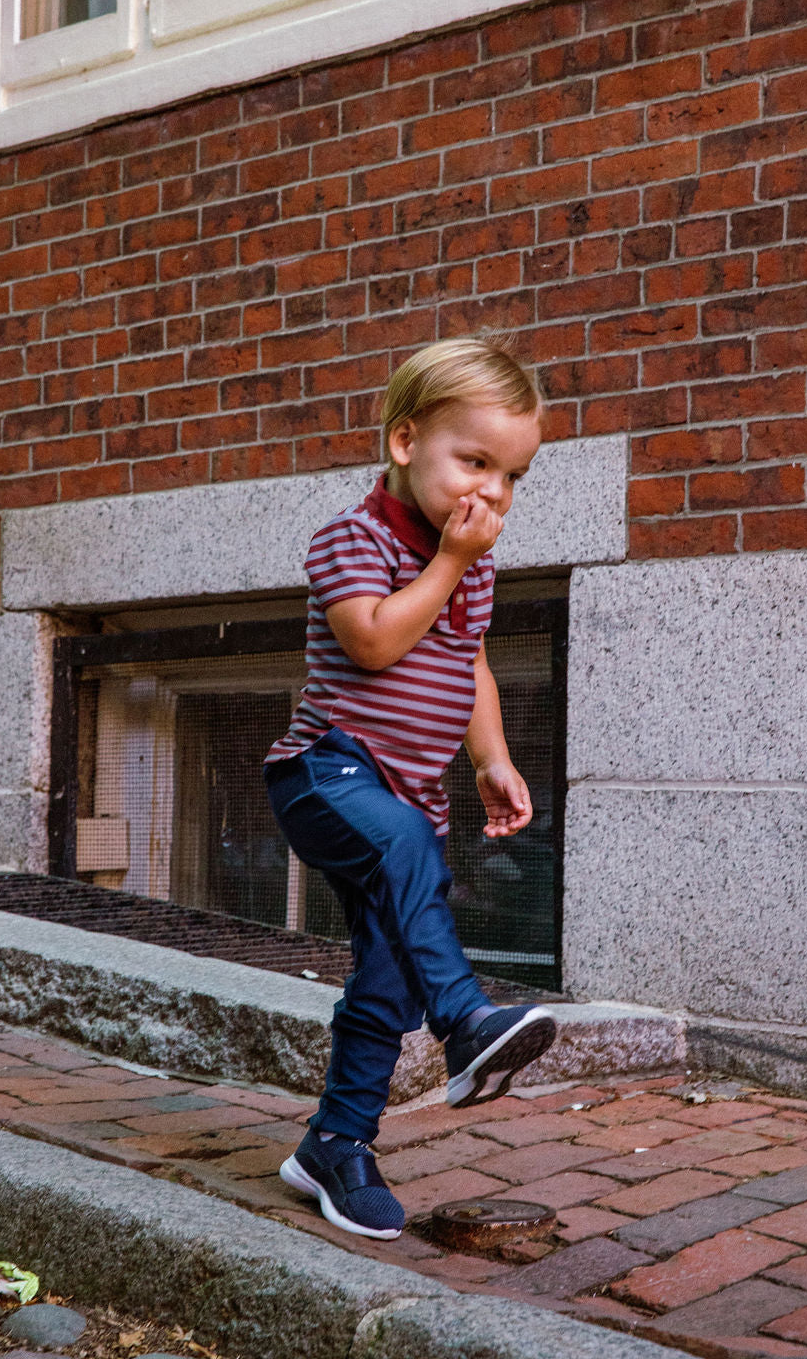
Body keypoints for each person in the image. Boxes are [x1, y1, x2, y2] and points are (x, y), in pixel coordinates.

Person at [262, 336, 557, 1240]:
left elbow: (466, 663)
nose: (494, 493)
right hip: (325, 771)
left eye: (513, 475)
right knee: (402, 848)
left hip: (408, 803)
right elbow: (377, 642)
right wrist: (452, 565)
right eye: (475, 462)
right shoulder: (352, 538)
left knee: (385, 985)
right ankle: (466, 1018)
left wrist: (490, 759)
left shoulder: (466, 564)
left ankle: (335, 1147)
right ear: (404, 443)